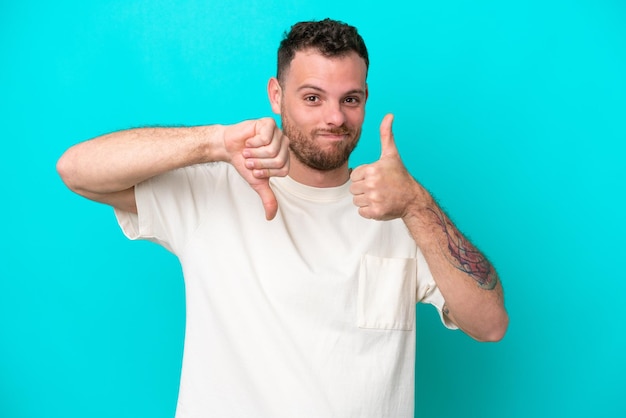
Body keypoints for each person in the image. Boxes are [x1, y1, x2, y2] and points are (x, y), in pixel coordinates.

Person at [57, 18, 508, 418]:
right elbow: (76, 170)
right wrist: (213, 142)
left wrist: (415, 203)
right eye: (313, 97)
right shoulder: (215, 190)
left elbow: (490, 324)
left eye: (350, 99)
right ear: (277, 95)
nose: (335, 117)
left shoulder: (400, 212)